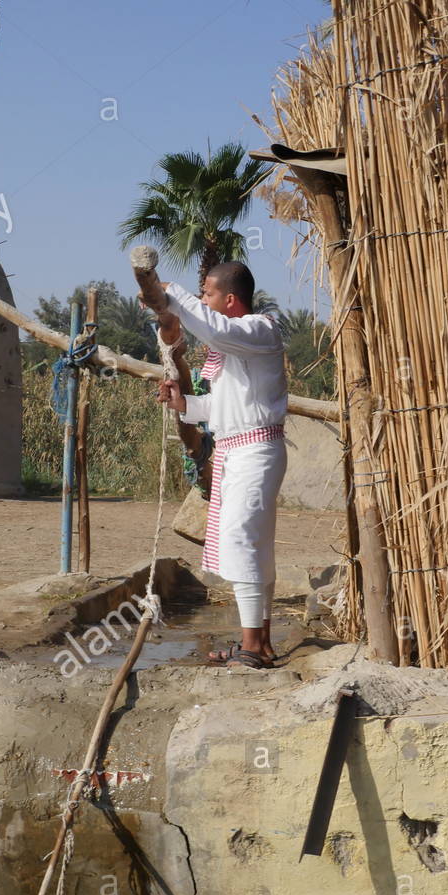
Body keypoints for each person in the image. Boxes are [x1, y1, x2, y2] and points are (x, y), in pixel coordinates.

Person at [156, 262, 287, 669]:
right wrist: (185, 405)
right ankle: (259, 643)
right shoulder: (237, 347)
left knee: (240, 540)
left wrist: (170, 294)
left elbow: (214, 328)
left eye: (207, 295)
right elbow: (225, 407)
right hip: (240, 451)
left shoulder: (258, 329)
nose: (203, 302)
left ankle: (251, 646)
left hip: (254, 453)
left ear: (230, 300)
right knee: (255, 545)